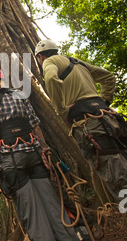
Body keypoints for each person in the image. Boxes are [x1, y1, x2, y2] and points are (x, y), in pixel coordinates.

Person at [0, 66, 103, 241]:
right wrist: (45, 151)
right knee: (60, 222)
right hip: (36, 159)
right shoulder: (19, 94)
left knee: (38, 230)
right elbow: (36, 126)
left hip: (12, 164)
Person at [35, 39, 127, 202]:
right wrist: (104, 101)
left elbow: (50, 79)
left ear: (41, 57)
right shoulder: (76, 62)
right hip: (110, 118)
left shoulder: (49, 62)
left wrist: (62, 112)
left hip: (89, 123)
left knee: (115, 172)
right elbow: (108, 77)